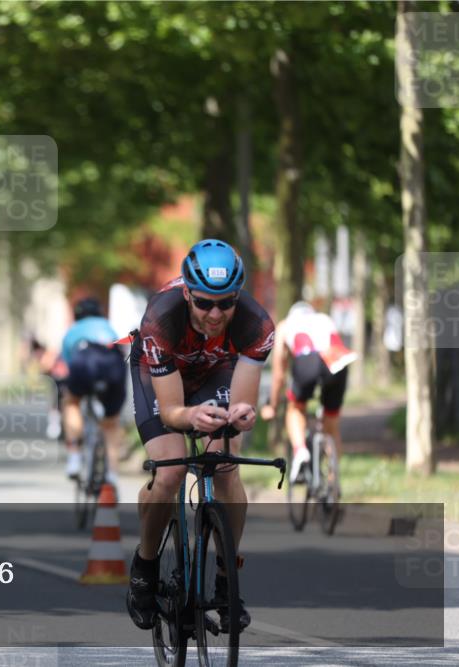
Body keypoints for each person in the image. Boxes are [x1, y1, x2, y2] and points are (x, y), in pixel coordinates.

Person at [126, 239, 275, 633]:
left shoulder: (256, 325)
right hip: (160, 375)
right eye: (205, 303)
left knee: (225, 465)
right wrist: (190, 415)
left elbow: (242, 406)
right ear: (187, 293)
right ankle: (145, 565)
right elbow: (174, 412)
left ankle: (228, 579)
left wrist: (241, 416)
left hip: (214, 372)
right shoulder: (161, 319)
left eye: (225, 303)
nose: (215, 313)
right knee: (171, 472)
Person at [260, 301, 356, 483]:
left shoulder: (285, 325)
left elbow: (279, 373)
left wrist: (272, 405)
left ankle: (300, 451)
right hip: (337, 361)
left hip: (307, 360)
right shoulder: (324, 318)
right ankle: (333, 481)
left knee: (295, 408)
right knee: (331, 423)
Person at [59, 297, 126, 488]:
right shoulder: (108, 326)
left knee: (71, 402)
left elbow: (68, 364)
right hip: (113, 364)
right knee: (111, 424)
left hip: (84, 361)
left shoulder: (73, 330)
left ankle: (74, 457)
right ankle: (112, 475)